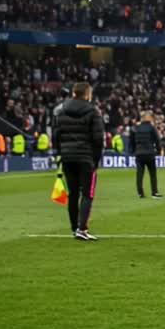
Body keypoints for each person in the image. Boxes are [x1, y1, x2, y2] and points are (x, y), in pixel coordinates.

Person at [53, 82, 106, 241]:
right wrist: (96, 160)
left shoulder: (61, 111)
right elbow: (98, 138)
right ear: (87, 94)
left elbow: (56, 135)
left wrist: (60, 153)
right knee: (87, 194)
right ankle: (82, 229)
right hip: (86, 157)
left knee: (73, 194)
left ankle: (74, 228)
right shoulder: (93, 111)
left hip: (68, 157)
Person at [131, 111, 163, 199]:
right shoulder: (151, 128)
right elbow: (157, 140)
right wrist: (159, 151)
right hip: (149, 153)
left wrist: (134, 151)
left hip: (139, 154)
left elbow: (132, 141)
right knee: (152, 173)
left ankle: (140, 193)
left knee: (139, 174)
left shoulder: (135, 128)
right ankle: (154, 192)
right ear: (148, 118)